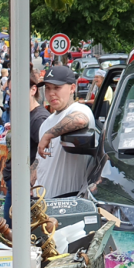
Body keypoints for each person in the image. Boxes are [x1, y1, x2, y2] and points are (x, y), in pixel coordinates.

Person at [33, 65, 96, 198]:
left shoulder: (79, 109)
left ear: (72, 88)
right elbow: (40, 162)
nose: (51, 94)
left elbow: (80, 120)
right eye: (48, 88)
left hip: (68, 201)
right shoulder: (46, 123)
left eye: (57, 88)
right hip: (42, 202)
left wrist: (49, 134)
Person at [3, 69, 50, 225]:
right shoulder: (24, 112)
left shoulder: (39, 118)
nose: (13, 95)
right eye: (11, 91)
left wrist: (29, 180)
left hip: (22, 186)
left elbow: (47, 153)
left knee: (14, 234)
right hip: (15, 181)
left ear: (33, 89)